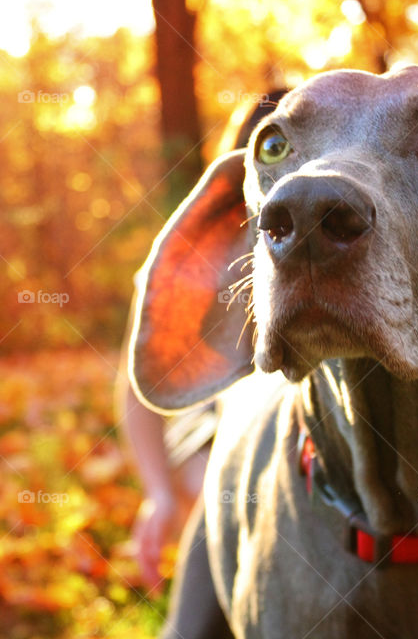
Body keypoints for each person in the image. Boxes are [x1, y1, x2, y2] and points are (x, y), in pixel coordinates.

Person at [115, 89, 287, 589]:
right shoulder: (190, 256)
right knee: (223, 482)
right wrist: (158, 494)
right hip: (211, 429)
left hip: (306, 440)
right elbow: (136, 389)